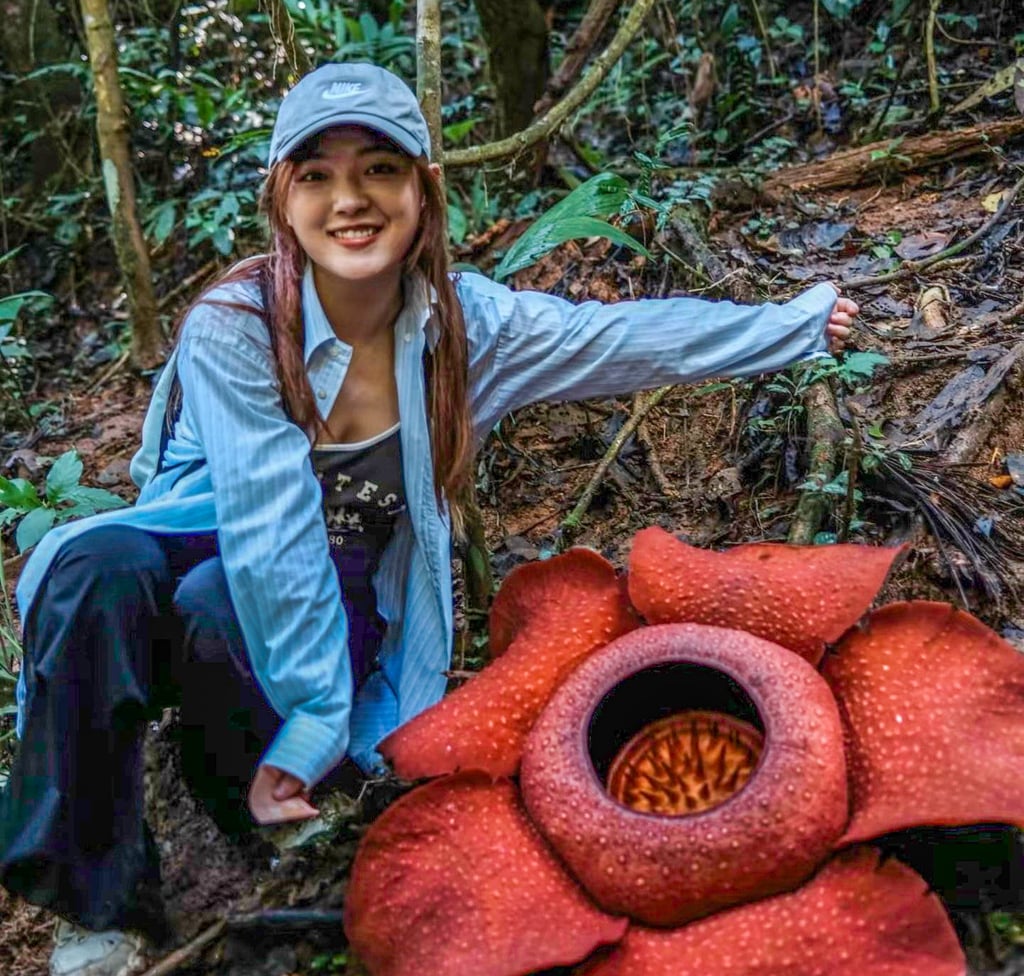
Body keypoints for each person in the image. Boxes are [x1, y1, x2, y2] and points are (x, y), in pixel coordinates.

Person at [0, 61, 857, 976]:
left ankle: (249, 812)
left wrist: (792, 326)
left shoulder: (465, 326)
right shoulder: (237, 324)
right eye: (317, 174)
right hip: (219, 527)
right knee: (97, 569)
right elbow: (264, 524)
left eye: (379, 168)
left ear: (424, 188)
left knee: (219, 605)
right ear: (279, 198)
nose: (349, 200)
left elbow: (616, 340)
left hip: (349, 562)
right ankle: (94, 903)